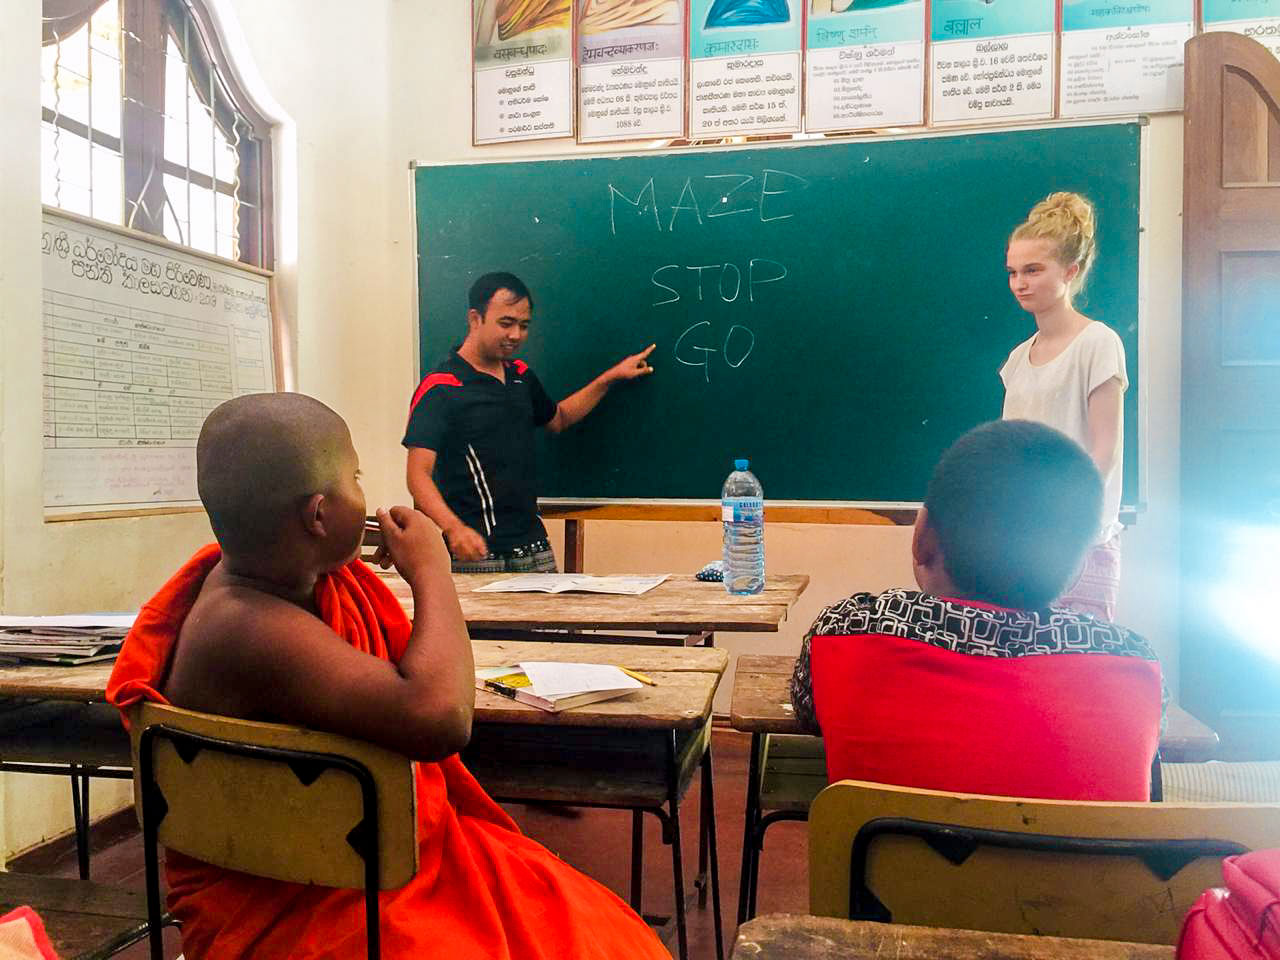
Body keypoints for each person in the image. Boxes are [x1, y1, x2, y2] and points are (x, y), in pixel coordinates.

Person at [106, 392, 670, 960]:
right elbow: (442, 717)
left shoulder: (278, 584)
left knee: (581, 915)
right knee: (586, 933)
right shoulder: (247, 626)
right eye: (356, 476)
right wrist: (433, 571)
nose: (366, 493)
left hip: (334, 865)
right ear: (319, 515)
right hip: (315, 901)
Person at [788, 420, 1164, 802]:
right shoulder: (1133, 664)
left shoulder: (847, 631)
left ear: (922, 536)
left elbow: (808, 713)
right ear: (1078, 568)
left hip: (894, 863)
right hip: (1079, 865)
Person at [403, 272, 655, 573]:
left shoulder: (520, 376)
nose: (516, 335)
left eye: (523, 326)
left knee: (553, 623)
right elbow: (418, 475)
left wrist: (610, 378)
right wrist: (453, 528)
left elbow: (558, 419)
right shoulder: (441, 387)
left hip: (534, 546)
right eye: (506, 323)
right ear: (475, 319)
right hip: (475, 553)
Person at [1001, 191, 1128, 620]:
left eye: (1033, 270)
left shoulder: (1098, 343)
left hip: (1079, 544)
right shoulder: (1018, 358)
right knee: (1021, 672)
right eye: (1014, 272)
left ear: (1071, 271)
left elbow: (1104, 451)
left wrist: (1060, 520)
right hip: (1022, 546)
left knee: (1079, 674)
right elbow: (1008, 453)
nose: (1020, 282)